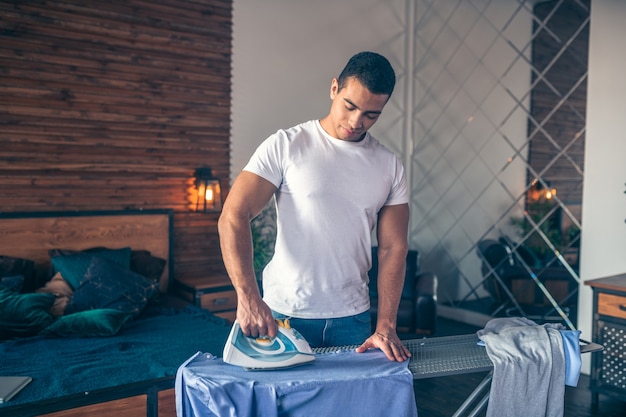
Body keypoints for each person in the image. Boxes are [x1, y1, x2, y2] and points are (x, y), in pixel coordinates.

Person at [218, 51, 411, 362]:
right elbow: (233, 216)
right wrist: (248, 297)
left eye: (371, 114)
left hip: (354, 318)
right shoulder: (285, 145)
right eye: (350, 106)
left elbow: (393, 248)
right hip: (285, 316)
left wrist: (386, 325)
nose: (356, 121)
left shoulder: (389, 166)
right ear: (334, 88)